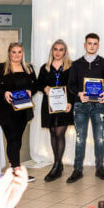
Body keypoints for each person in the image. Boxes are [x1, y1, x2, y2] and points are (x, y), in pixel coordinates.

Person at [66, 33, 104, 183]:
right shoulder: (76, 64)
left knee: (99, 138)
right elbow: (70, 85)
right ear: (85, 45)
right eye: (89, 43)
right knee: (80, 138)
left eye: (95, 44)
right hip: (81, 105)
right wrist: (79, 94)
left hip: (99, 105)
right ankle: (77, 169)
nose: (92, 46)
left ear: (98, 46)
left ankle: (100, 168)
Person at [0, 42, 37, 181]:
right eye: (14, 52)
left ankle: (11, 167)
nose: (16, 55)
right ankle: (16, 169)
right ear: (9, 53)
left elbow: (35, 85)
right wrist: (4, 93)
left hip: (22, 110)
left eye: (19, 52)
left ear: (22, 53)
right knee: (13, 139)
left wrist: (30, 91)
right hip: (5, 111)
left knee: (16, 140)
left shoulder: (29, 68)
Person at [36, 39, 74, 182]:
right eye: (55, 49)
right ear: (52, 51)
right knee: (52, 131)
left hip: (65, 105)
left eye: (61, 49)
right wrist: (44, 87)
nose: (58, 52)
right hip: (49, 105)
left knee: (60, 132)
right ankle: (58, 164)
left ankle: (57, 165)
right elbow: (38, 83)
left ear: (65, 52)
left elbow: (74, 86)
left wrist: (70, 102)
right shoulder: (45, 67)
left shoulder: (71, 67)